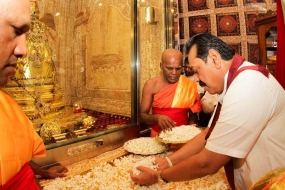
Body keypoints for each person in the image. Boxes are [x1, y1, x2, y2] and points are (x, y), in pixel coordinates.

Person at [131, 33, 285, 190]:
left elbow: (207, 164)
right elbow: (208, 134)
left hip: (273, 185)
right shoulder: (235, 84)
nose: (196, 79)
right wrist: (168, 161)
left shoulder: (248, 85)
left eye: (197, 70)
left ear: (214, 58)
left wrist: (160, 177)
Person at [0, 0, 67, 189]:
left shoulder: (9, 107)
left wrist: (43, 173)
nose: (24, 51)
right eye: (15, 30)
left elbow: (16, 158)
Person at [140, 48, 202, 137]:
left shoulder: (189, 85)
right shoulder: (151, 85)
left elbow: (193, 114)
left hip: (182, 137)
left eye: (178, 69)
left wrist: (191, 127)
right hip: (158, 137)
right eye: (169, 68)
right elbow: (142, 116)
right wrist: (157, 118)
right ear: (161, 66)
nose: (174, 73)